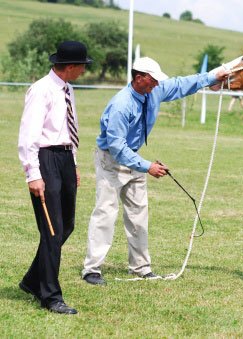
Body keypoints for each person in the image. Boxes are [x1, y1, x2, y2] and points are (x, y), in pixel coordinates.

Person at [82, 56, 230, 285]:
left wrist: (213, 76)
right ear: (138, 78)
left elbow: (182, 84)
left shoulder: (154, 91)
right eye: (152, 80)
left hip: (136, 159)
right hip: (111, 161)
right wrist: (147, 166)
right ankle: (92, 269)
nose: (156, 85)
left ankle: (141, 267)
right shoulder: (121, 105)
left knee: (139, 216)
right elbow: (117, 147)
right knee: (105, 213)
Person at [18, 41, 93, 314]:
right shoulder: (41, 91)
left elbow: (66, 130)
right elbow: (28, 136)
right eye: (83, 66)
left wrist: (73, 164)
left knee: (67, 225)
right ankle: (49, 295)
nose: (84, 71)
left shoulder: (68, 90)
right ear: (71, 67)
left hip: (64, 158)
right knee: (52, 230)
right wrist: (33, 174)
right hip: (45, 159)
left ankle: (31, 280)